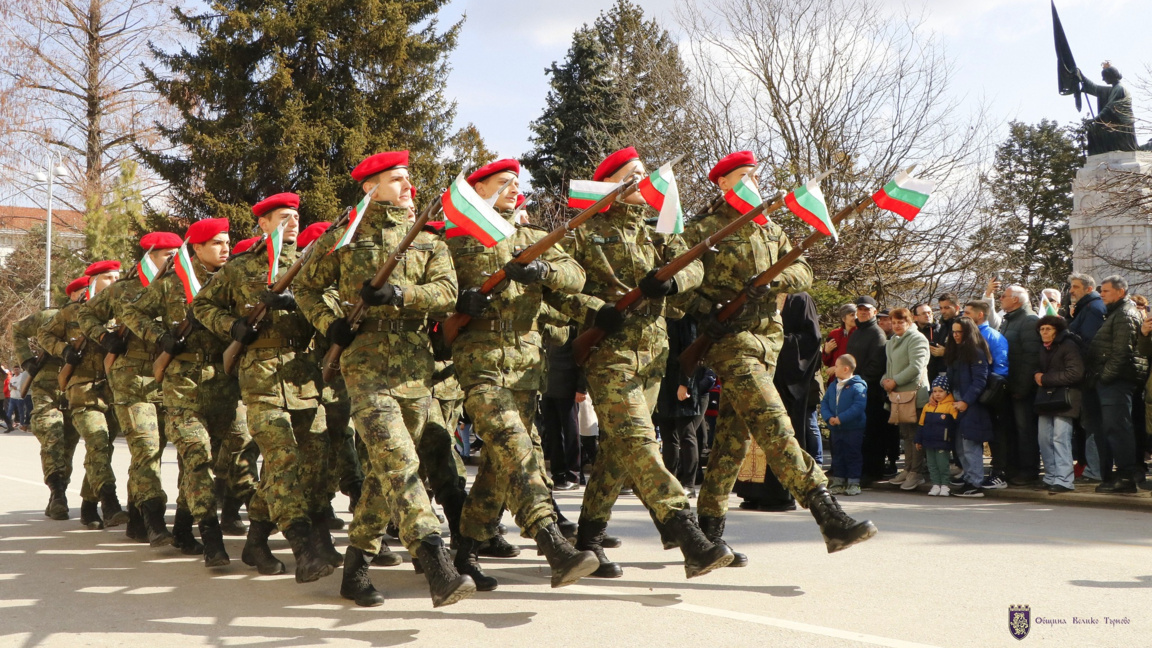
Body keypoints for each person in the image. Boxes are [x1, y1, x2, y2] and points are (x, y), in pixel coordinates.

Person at [551, 147, 730, 579]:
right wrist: (596, 310)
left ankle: (589, 538)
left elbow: (694, 267)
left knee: (618, 449)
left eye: (644, 172)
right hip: (608, 351)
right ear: (609, 185)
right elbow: (558, 289)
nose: (644, 180)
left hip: (653, 351)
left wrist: (671, 282)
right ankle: (687, 534)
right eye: (633, 174)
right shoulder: (583, 231)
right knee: (638, 439)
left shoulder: (658, 229)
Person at [686, 150, 876, 556]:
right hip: (731, 341)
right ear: (723, 183)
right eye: (744, 176)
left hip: (767, 343)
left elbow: (802, 270)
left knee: (732, 441)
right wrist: (709, 312)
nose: (753, 182)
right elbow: (685, 283)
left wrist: (770, 282)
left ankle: (707, 536)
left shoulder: (768, 227)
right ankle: (828, 516)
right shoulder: (705, 230)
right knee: (775, 425)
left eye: (755, 176)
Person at [195, 194, 338, 577]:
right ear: (263, 223)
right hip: (260, 377)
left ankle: (256, 540)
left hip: (303, 376)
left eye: (296, 216)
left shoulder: (312, 263)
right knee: (282, 459)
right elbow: (203, 305)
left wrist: (299, 304)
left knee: (314, 462)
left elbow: (336, 305)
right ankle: (303, 548)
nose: (293, 222)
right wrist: (232, 326)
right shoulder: (240, 267)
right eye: (284, 216)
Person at [120, 218, 258, 566]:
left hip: (225, 382)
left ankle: (183, 527)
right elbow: (132, 311)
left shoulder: (234, 279)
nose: (225, 248)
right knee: (197, 457)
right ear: (196, 247)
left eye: (227, 242)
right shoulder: (173, 283)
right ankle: (211, 538)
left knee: (230, 453)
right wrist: (160, 337)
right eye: (216, 243)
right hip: (183, 383)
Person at [76, 232, 183, 547]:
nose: (175, 260)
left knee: (155, 450)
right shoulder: (122, 289)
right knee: (146, 448)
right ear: (150, 256)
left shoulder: (180, 287)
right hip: (131, 378)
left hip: (168, 377)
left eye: (178, 254)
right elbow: (86, 313)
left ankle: (136, 518)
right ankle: (154, 520)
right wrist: (104, 337)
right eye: (168, 255)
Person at [38, 260, 128, 530]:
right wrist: (64, 350)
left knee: (104, 447)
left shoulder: (122, 310)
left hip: (114, 388)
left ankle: (89, 505)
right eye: (109, 277)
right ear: (94, 281)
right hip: (83, 388)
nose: (114, 282)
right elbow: (44, 333)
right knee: (97, 442)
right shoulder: (72, 312)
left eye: (117, 277)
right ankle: (109, 501)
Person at [11, 280, 90, 519]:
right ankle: (57, 493)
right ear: (73, 294)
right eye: (84, 291)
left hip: (77, 387)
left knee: (68, 443)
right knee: (52, 437)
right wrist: (26, 361)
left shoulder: (97, 317)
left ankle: (58, 491)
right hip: (47, 386)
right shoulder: (50, 316)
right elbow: (17, 329)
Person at [1086, 276, 1149, 493]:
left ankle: (1126, 477)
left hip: (1118, 381)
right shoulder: (1117, 312)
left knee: (1119, 429)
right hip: (1114, 380)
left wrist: (1105, 376)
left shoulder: (1125, 314)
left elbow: (1123, 352)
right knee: (1113, 429)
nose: (1101, 294)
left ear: (1120, 292)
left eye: (1105, 291)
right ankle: (1121, 475)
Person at [655, 315, 710, 498]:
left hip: (681, 382)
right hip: (663, 383)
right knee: (668, 436)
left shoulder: (685, 318)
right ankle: (670, 481)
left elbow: (691, 352)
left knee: (686, 435)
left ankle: (688, 484)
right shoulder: (662, 316)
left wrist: (685, 383)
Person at [944, 317, 994, 498]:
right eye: (954, 332)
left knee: (970, 445)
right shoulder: (955, 351)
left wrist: (966, 401)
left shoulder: (976, 352)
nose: (956, 335)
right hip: (956, 404)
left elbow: (980, 381)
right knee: (960, 445)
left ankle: (975, 482)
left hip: (971, 405)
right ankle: (968, 478)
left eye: (960, 332)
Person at [1034, 315, 1084, 494]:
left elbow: (1076, 373)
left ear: (1057, 330)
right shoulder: (1042, 347)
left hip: (1065, 399)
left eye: (1048, 329)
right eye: (1041, 329)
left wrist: (1045, 379)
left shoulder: (1069, 345)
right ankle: (1050, 476)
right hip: (1046, 400)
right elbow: (1038, 368)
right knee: (1044, 439)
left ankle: (1064, 479)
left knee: (1060, 438)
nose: (1044, 332)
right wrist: (1037, 374)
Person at [882, 307, 930, 491]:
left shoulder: (917, 339)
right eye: (894, 322)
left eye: (900, 322)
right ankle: (908, 468)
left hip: (914, 395)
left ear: (909, 322)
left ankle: (916, 472)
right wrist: (885, 381)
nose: (896, 326)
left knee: (916, 435)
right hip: (898, 396)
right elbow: (889, 367)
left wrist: (895, 381)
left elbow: (916, 367)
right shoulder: (892, 341)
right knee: (906, 435)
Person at [998, 285, 1042, 487]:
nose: (1001, 299)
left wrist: (1022, 388)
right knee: (1011, 430)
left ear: (1016, 299)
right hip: (1009, 386)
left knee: (1025, 430)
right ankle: (1012, 468)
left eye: (1004, 296)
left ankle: (1029, 470)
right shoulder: (1009, 320)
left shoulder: (1029, 320)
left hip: (1022, 389)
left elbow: (1031, 358)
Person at [963, 299, 1008, 489]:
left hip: (990, 394)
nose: (964, 316)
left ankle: (999, 473)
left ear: (979, 315)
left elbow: (1001, 367)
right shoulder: (969, 336)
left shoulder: (992, 336)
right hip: (975, 393)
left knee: (996, 433)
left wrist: (988, 389)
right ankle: (973, 472)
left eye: (967, 313)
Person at [1066, 272, 1107, 482]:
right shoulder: (1087, 308)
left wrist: (1066, 335)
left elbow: (1089, 343)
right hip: (1090, 375)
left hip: (1092, 375)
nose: (1071, 291)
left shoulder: (1092, 309)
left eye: (1075, 287)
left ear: (1089, 289)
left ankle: (1095, 470)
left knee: (1094, 423)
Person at [844, 295, 888, 484]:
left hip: (871, 392)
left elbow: (876, 366)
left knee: (873, 433)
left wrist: (857, 382)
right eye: (860, 309)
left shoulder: (877, 334)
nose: (862, 312)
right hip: (855, 389)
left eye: (866, 309)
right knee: (860, 433)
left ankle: (873, 472)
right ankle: (860, 470)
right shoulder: (856, 332)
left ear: (874, 312)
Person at [540, 327, 585, 491]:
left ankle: (573, 475)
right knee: (552, 433)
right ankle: (557, 474)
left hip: (568, 384)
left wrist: (581, 387)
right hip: (548, 384)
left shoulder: (574, 324)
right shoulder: (548, 322)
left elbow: (583, 357)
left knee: (570, 432)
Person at [821, 355, 867, 496]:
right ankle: (838, 482)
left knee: (852, 454)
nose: (834, 369)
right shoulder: (833, 385)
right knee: (838, 455)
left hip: (853, 429)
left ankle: (854, 483)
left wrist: (841, 418)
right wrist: (829, 417)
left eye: (837, 366)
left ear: (846, 369)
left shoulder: (858, 386)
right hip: (836, 429)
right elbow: (824, 403)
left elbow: (858, 407)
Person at [915, 376, 958, 496]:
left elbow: (956, 425)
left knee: (942, 464)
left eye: (941, 391)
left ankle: (945, 485)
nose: (937, 394)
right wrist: (918, 440)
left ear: (947, 392)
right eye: (934, 391)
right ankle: (935, 484)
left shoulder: (951, 406)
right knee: (932, 465)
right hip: (929, 442)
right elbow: (921, 424)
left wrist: (951, 439)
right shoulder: (927, 407)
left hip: (942, 442)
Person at [913, 302, 945, 380]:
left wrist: (944, 352)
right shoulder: (912, 332)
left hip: (937, 375)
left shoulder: (941, 330)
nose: (927, 315)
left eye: (929, 313)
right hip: (917, 374)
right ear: (915, 317)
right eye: (923, 313)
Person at [821, 304, 856, 373]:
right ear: (843, 319)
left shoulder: (860, 334)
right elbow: (826, 362)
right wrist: (827, 352)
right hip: (835, 377)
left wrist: (837, 368)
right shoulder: (834, 334)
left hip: (851, 376)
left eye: (857, 314)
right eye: (852, 315)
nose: (855, 317)